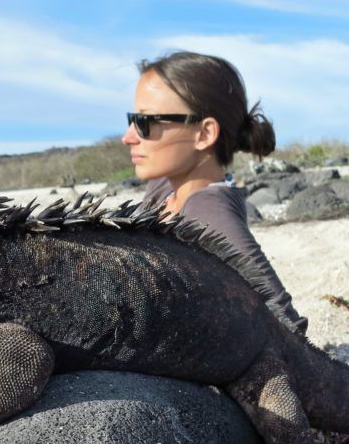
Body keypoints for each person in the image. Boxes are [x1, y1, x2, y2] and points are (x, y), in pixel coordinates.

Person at [120, 50, 308, 334]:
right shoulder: (163, 189)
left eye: (146, 122)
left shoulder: (206, 210)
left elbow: (285, 322)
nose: (128, 137)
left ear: (205, 134)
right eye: (131, 120)